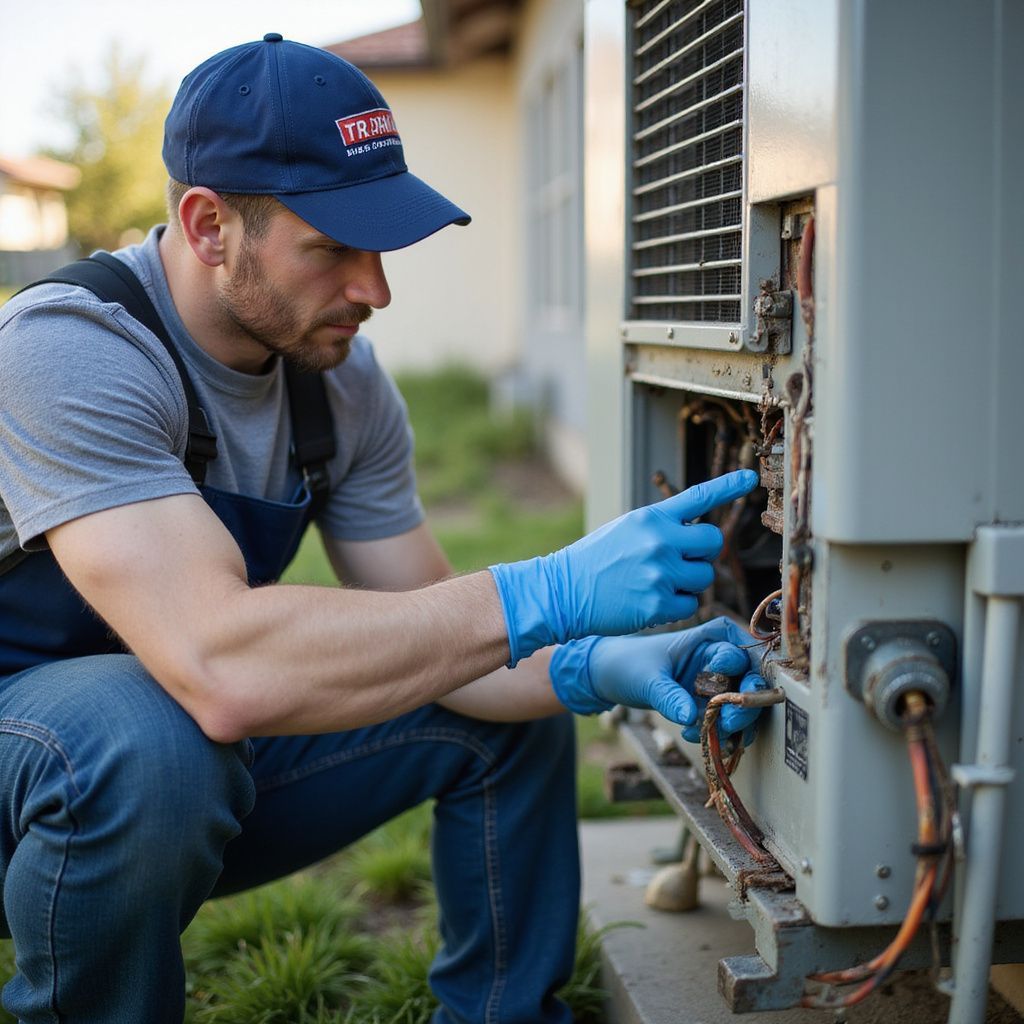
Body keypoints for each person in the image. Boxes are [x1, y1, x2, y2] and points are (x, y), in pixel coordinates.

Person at [0, 35, 766, 1024]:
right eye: (332, 247)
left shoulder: (337, 384)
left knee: (503, 696)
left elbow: (452, 640)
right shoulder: (72, 351)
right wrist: (544, 589)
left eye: (383, 244)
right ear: (207, 225)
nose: (376, 289)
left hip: (171, 768)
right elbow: (220, 667)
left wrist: (596, 658)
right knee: (144, 741)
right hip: (50, 769)